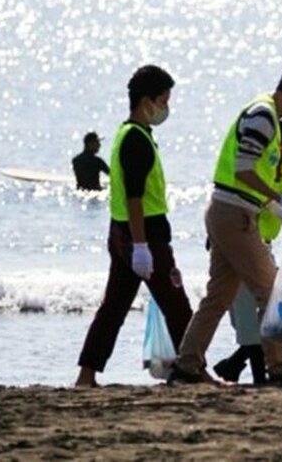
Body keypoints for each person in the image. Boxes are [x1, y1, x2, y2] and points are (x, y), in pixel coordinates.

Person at [168, 54, 282, 384]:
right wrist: (279, 199)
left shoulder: (266, 114)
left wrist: (277, 206)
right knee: (271, 291)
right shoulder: (264, 116)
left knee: (218, 296)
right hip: (235, 214)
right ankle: (280, 368)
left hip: (229, 212)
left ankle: (186, 365)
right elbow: (244, 170)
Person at [75, 65, 193, 388]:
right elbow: (135, 197)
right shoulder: (136, 140)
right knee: (177, 303)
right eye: (164, 100)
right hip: (144, 235)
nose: (166, 108)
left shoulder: (126, 134)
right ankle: (194, 370)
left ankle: (87, 374)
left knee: (113, 308)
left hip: (121, 234)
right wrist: (141, 247)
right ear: (146, 101)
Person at [212, 115, 282, 384]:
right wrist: (279, 208)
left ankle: (236, 365)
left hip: (261, 243)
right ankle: (261, 374)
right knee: (251, 312)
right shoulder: (261, 159)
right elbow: (245, 193)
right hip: (241, 237)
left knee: (262, 309)